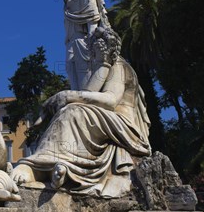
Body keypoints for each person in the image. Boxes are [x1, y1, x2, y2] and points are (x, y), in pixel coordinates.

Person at [12, 26, 151, 198]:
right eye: (94, 50)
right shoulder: (103, 66)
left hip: (124, 125)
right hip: (107, 120)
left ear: (110, 49)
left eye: (99, 49)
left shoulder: (120, 66)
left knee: (74, 112)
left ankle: (51, 166)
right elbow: (87, 94)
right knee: (70, 111)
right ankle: (53, 166)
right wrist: (102, 66)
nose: (94, 54)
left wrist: (68, 94)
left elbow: (110, 100)